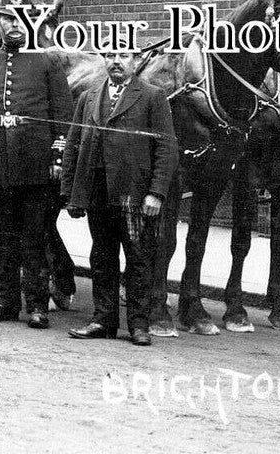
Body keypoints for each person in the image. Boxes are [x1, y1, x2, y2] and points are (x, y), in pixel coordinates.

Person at [0, 0, 73, 329]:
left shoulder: (48, 62)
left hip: (34, 164)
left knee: (34, 238)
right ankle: (5, 301)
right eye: (8, 18)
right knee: (2, 238)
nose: (14, 25)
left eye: (21, 18)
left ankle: (36, 304)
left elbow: (63, 116)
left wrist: (57, 157)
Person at [62, 51, 178, 346]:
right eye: (110, 54)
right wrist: (71, 192)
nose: (116, 60)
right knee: (101, 256)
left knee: (138, 257)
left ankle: (139, 325)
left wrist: (156, 192)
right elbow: (74, 143)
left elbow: (166, 148)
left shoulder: (153, 96)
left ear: (136, 60)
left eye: (123, 55)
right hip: (98, 188)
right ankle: (103, 320)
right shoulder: (88, 97)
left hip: (135, 192)